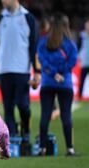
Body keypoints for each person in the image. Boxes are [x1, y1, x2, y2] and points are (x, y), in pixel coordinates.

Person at [0, 0, 40, 142]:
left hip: (22, 70)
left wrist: (37, 71)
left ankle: (25, 128)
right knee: (8, 107)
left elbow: (34, 48)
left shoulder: (28, 18)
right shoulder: (0, 19)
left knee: (23, 105)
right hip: (4, 70)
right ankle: (13, 136)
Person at [37, 13, 78, 156]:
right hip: (65, 84)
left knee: (45, 115)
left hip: (48, 83)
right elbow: (72, 62)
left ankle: (42, 148)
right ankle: (70, 149)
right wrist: (60, 73)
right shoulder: (70, 44)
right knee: (66, 116)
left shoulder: (43, 42)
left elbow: (42, 60)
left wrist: (53, 73)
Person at [77, 18, 89, 101]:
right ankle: (79, 96)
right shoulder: (82, 35)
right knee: (82, 79)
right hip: (84, 62)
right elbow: (78, 47)